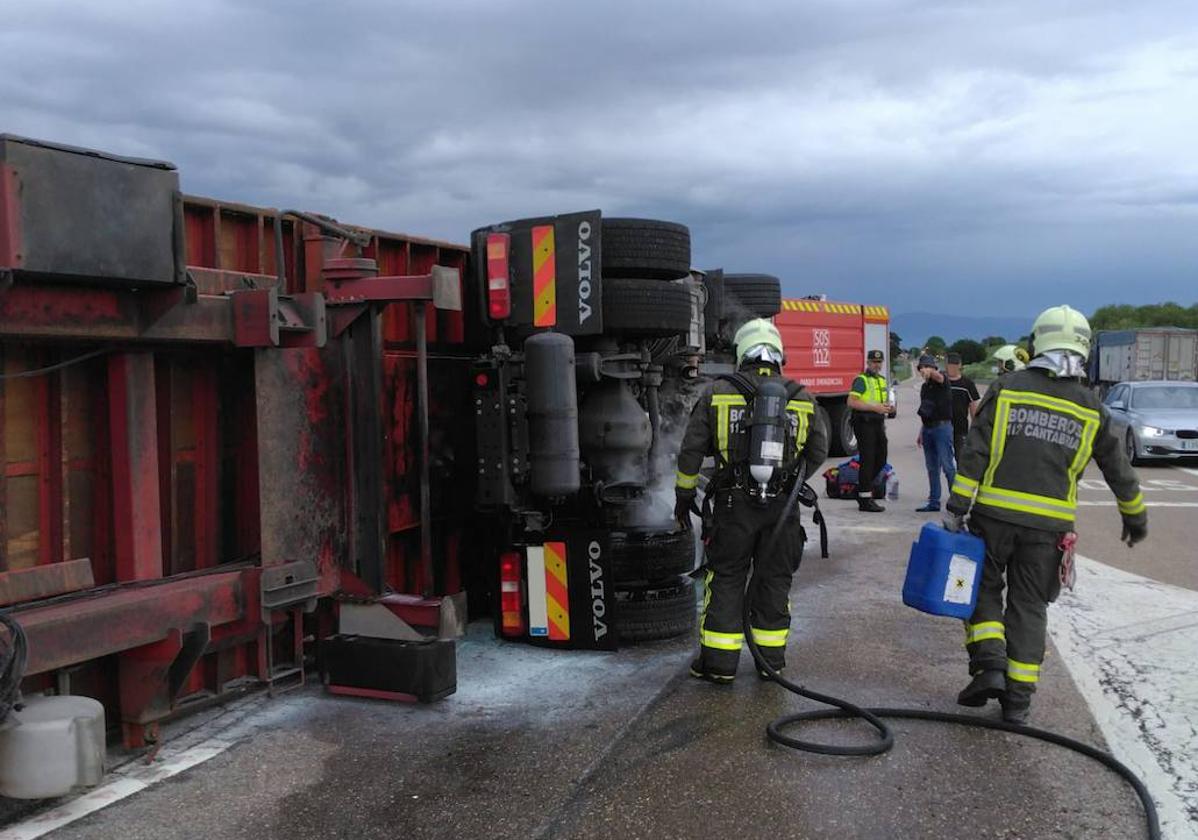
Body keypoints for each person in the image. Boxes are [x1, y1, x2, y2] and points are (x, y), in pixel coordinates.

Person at [946, 305, 1146, 724]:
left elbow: (975, 452)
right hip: (1048, 529)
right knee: (1030, 606)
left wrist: (956, 509)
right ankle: (1017, 702)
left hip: (993, 518)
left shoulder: (1007, 387)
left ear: (1036, 344)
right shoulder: (1091, 406)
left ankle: (990, 665)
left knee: (981, 589)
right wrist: (1134, 516)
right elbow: (1118, 469)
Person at [674, 318, 829, 683]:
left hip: (733, 506)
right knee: (774, 580)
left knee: (726, 577)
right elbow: (819, 450)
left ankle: (719, 664)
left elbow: (691, 450)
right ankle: (770, 662)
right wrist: (791, 482)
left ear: (741, 352)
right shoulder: (802, 397)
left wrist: (684, 496)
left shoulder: (717, 392)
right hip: (782, 510)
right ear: (778, 354)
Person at [847, 349, 895, 512]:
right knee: (867, 460)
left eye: (879, 362)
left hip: (878, 423)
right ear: (868, 362)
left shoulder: (881, 380)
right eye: (874, 362)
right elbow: (852, 402)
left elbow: (882, 401)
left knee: (881, 458)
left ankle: (862, 488)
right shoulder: (861, 380)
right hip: (864, 422)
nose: (877, 365)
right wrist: (874, 407)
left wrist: (888, 408)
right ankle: (865, 499)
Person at [914, 354, 956, 512]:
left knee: (947, 466)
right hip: (928, 428)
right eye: (921, 368)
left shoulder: (942, 381)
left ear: (933, 368)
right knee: (932, 468)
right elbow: (926, 409)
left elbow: (939, 377)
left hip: (942, 428)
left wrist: (930, 372)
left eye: (926, 367)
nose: (923, 371)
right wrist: (921, 431)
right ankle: (934, 502)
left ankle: (956, 502)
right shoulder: (925, 388)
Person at [945, 352, 981, 458]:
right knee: (944, 461)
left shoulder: (967, 384)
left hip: (960, 429)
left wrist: (976, 429)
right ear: (946, 365)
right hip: (942, 427)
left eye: (955, 364)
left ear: (960, 365)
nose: (952, 367)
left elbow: (974, 407)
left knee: (961, 459)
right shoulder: (941, 382)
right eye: (950, 364)